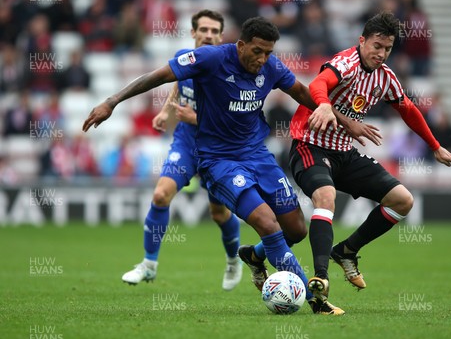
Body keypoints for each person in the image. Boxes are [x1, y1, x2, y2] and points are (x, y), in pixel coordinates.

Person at [83, 16, 372, 314]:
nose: (262, 59)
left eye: (268, 53)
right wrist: (112, 101)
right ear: (241, 45)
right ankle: (315, 299)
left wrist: (344, 119)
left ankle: (254, 257)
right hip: (219, 161)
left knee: (296, 229)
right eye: (257, 51)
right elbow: (157, 76)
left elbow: (300, 91)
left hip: (257, 156)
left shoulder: (270, 67)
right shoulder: (211, 59)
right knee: (267, 223)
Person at [285, 11, 451, 311]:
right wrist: (327, 107)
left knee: (403, 201)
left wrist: (435, 146)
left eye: (388, 49)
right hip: (311, 146)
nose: (381, 54)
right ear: (362, 41)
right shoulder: (346, 63)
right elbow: (317, 85)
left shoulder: (385, 78)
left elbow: (408, 109)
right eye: (377, 46)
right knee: (325, 198)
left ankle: (347, 250)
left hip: (345, 154)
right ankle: (320, 279)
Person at [119, 10, 243, 291]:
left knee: (218, 214)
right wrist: (166, 111)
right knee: (161, 195)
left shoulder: (229, 71)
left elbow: (233, 120)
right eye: (204, 30)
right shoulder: (186, 57)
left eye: (214, 31)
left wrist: (195, 118)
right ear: (193, 33)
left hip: (218, 148)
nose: (209, 35)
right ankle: (149, 265)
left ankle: (233, 259)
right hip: (187, 142)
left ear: (222, 37)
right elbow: (179, 83)